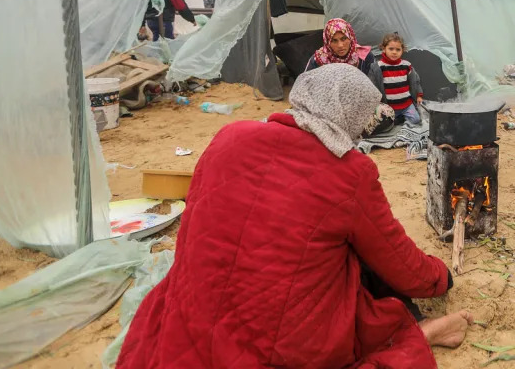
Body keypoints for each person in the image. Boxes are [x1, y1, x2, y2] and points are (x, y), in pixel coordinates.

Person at [116, 64, 472, 368]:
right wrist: (440, 279)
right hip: (284, 340)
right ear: (352, 116)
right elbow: (397, 261)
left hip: (193, 311)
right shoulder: (349, 173)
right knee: (364, 280)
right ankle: (424, 333)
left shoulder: (230, 136)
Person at [369, 32, 423, 126]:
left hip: (406, 104)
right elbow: (373, 85)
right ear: (384, 49)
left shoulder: (406, 65)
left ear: (402, 50)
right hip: (389, 106)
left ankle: (400, 118)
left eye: (398, 49)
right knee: (383, 124)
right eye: (391, 49)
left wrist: (419, 95)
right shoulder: (378, 67)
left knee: (416, 120)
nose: (394, 52)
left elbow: (415, 81)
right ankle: (397, 119)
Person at [304, 18, 375, 75]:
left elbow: (375, 86)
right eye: (334, 41)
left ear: (350, 38)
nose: (340, 45)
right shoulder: (317, 60)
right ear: (328, 43)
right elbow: (305, 86)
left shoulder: (365, 57)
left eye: (344, 39)